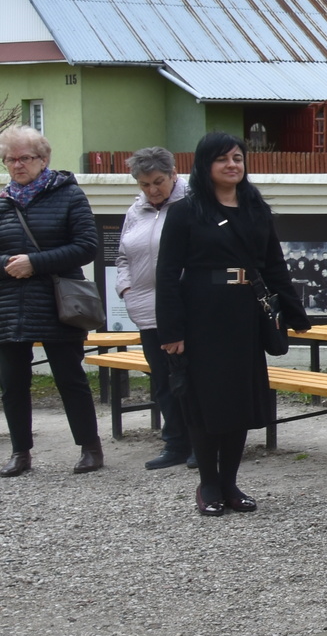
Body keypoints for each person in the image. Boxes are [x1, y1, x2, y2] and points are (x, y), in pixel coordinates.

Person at [156, 133, 311, 514]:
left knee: (239, 399)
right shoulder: (186, 212)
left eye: (238, 158)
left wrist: (295, 314)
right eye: (223, 159)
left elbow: (274, 264)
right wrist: (171, 331)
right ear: (205, 165)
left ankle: (230, 483)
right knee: (206, 401)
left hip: (245, 315)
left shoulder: (256, 209)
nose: (232, 165)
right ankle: (208, 485)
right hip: (201, 314)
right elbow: (166, 273)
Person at [0, 127, 101, 477]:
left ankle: (90, 447)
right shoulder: (2, 201)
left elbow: (87, 245)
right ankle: (20, 452)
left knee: (69, 378)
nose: (17, 165)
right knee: (12, 383)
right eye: (10, 159)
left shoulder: (69, 195)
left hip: (60, 304)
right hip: (10, 305)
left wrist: (34, 263)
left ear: (43, 160)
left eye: (24, 158)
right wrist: (7, 265)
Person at [114, 147, 192, 471]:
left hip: (184, 309)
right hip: (146, 311)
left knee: (190, 379)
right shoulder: (136, 211)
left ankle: (202, 443)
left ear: (174, 174)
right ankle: (174, 444)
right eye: (145, 184)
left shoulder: (191, 205)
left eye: (158, 181)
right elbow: (122, 257)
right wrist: (126, 289)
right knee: (162, 379)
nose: (152, 190)